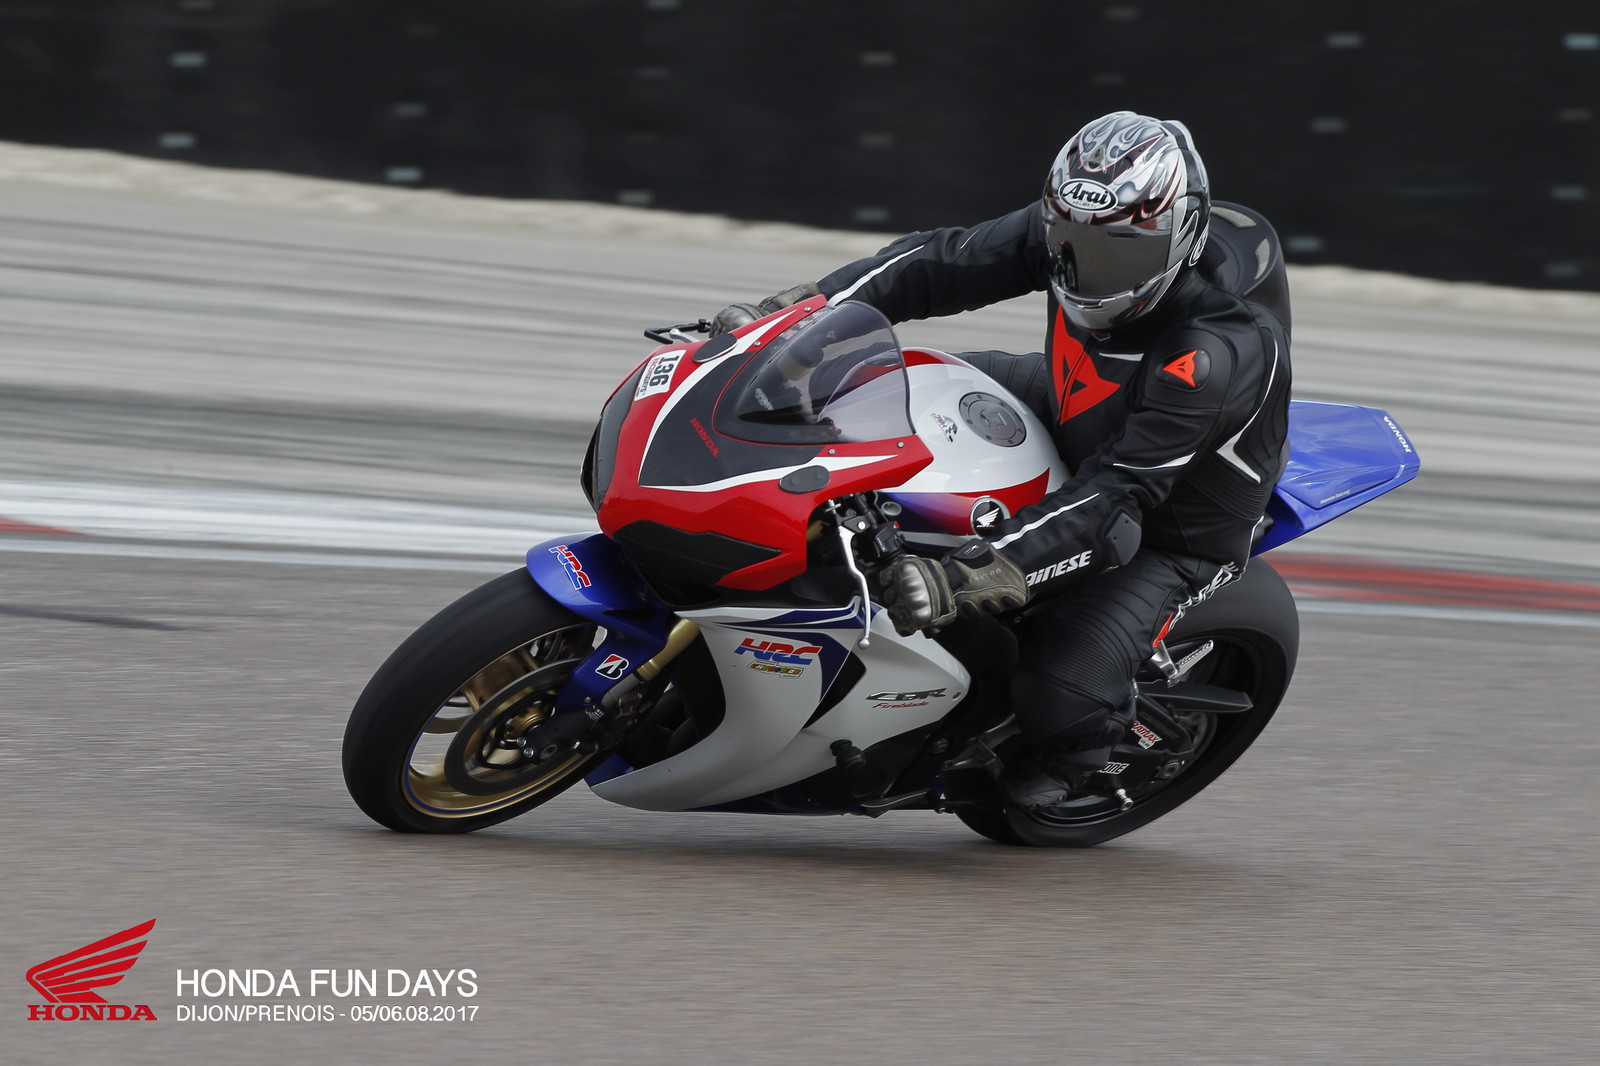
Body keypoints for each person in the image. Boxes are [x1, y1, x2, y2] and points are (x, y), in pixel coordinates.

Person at [714, 111, 1291, 808]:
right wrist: (800, 315)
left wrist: (966, 574)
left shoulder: (1212, 354)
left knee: (1059, 697)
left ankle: (1086, 755)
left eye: (1115, 255)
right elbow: (937, 262)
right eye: (1069, 244)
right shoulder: (1080, 228)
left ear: (1180, 237)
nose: (1084, 270)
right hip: (1068, 396)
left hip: (1172, 520)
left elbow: (1114, 498)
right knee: (871, 390)